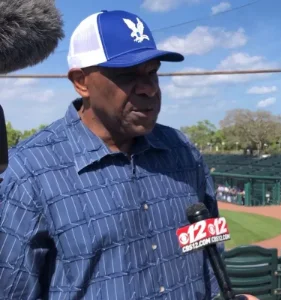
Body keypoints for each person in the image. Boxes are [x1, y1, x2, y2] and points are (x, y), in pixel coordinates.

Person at [0, 10, 255, 300]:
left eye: (152, 72)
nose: (148, 88)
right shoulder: (27, 172)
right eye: (127, 74)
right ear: (81, 81)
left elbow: (210, 258)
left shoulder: (183, 150)